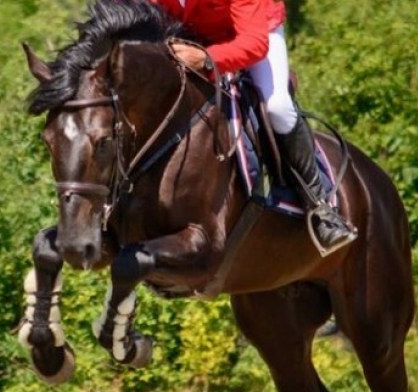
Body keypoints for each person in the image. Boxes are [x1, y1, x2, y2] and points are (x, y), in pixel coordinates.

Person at [150, 0, 356, 253]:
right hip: (192, 34)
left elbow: (254, 43)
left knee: (277, 106)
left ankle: (320, 206)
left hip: (254, 32)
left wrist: (208, 59)